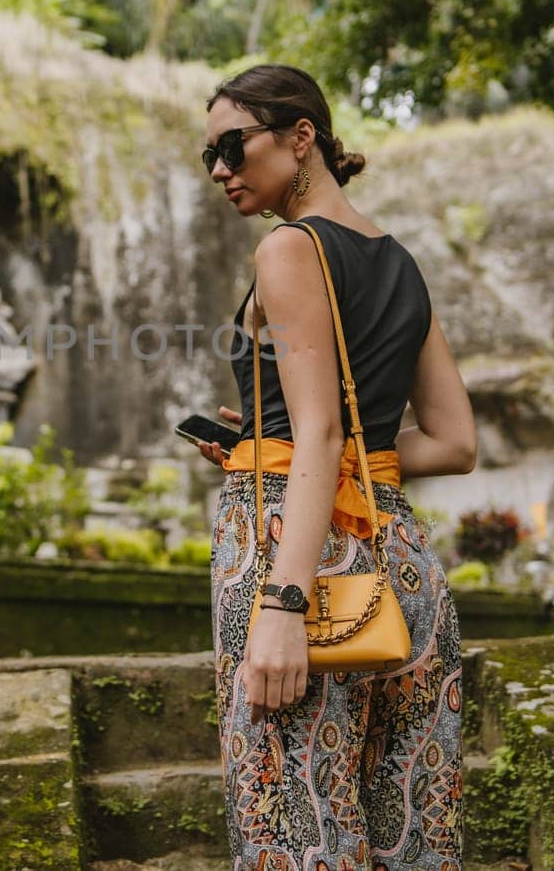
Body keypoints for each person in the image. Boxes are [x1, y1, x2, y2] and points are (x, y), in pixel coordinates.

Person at [192, 64, 476, 871]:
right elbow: (454, 443)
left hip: (299, 562)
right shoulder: (401, 264)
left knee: (296, 829)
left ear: (301, 136)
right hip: (403, 569)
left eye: (232, 145)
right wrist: (257, 446)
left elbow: (318, 435)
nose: (220, 168)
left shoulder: (289, 247)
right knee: (409, 831)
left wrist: (282, 603)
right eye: (208, 154)